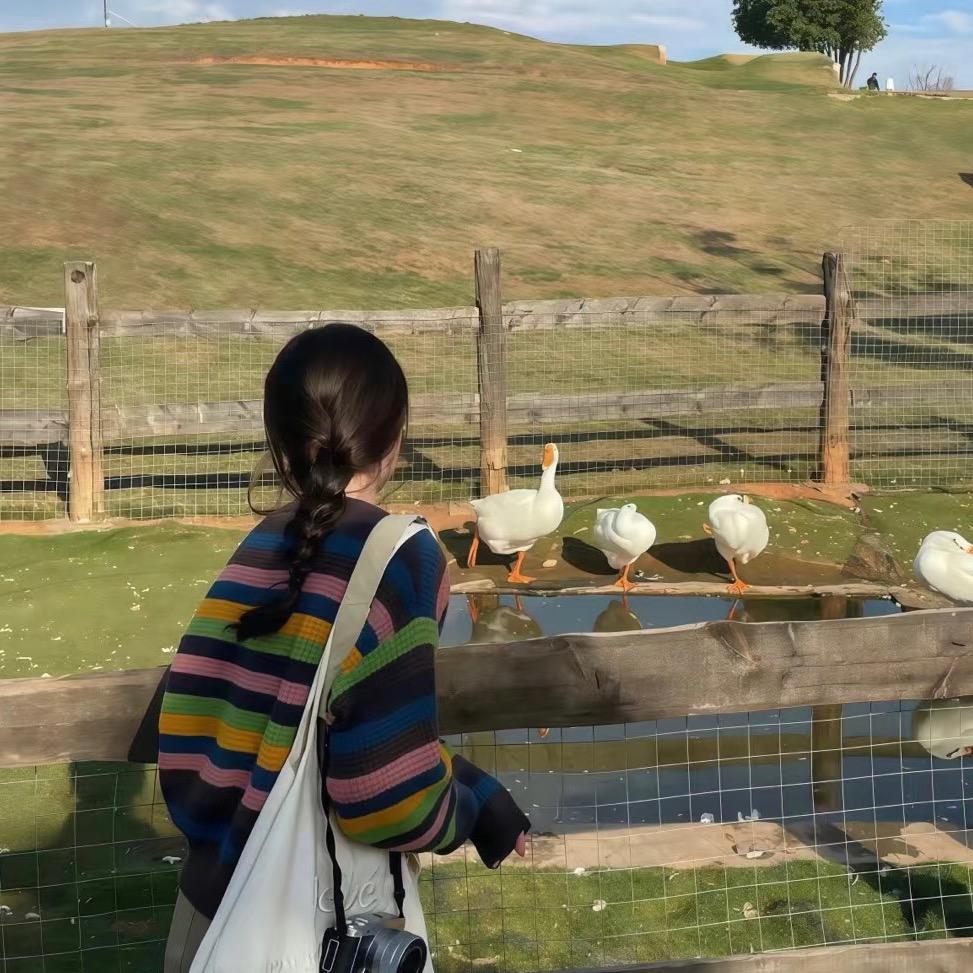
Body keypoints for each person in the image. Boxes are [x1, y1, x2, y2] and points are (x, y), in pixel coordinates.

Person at [157, 323, 530, 972]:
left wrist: (466, 783)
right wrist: (466, 808)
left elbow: (200, 736)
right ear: (395, 440)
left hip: (209, 921)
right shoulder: (401, 557)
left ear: (280, 448)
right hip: (322, 935)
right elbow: (385, 794)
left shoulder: (259, 548)